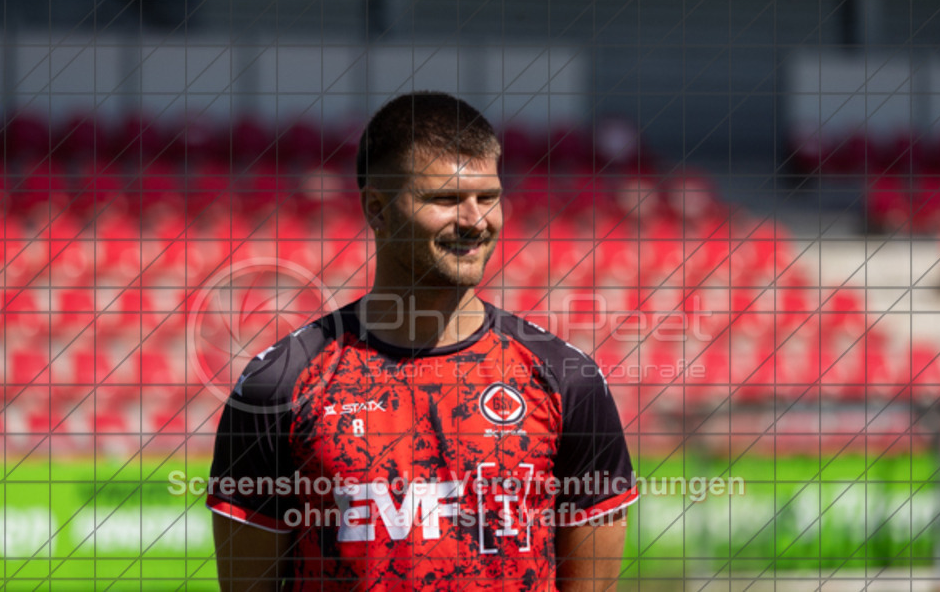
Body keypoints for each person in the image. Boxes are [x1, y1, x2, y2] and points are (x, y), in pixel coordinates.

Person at [207, 92, 637, 591]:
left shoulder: (568, 379)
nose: (476, 221)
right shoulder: (277, 384)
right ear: (377, 209)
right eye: (446, 199)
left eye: (488, 196)